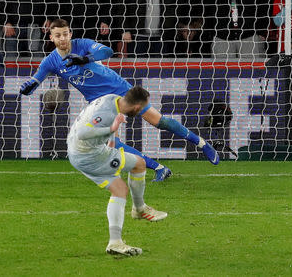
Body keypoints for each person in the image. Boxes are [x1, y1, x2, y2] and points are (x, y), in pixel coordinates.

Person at [19, 19, 219, 180]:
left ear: (70, 34)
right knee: (110, 144)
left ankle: (202, 143)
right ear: (51, 37)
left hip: (119, 89)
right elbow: (34, 81)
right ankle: (159, 168)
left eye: (65, 34)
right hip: (99, 103)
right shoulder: (50, 61)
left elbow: (107, 51)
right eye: (58, 35)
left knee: (159, 121)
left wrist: (86, 58)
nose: (62, 38)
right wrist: (27, 88)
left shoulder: (82, 45)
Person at [67, 86, 167, 256]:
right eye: (142, 108)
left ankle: (115, 243)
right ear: (137, 107)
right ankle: (139, 209)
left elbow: (106, 120)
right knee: (139, 164)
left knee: (119, 189)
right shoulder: (108, 113)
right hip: (89, 154)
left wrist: (111, 140)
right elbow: (83, 133)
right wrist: (111, 129)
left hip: (80, 151)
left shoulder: (113, 99)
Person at [204, 0, 270, 59]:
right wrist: (210, 34)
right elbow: (207, 10)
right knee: (222, 69)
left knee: (252, 69)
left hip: (250, 37)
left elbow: (264, 7)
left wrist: (261, 31)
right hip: (221, 38)